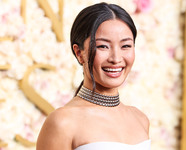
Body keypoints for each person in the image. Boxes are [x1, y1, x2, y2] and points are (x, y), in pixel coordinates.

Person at [36, 2, 150, 150]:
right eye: (103, 46)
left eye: (126, 46)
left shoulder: (140, 119)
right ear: (79, 53)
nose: (116, 58)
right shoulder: (62, 122)